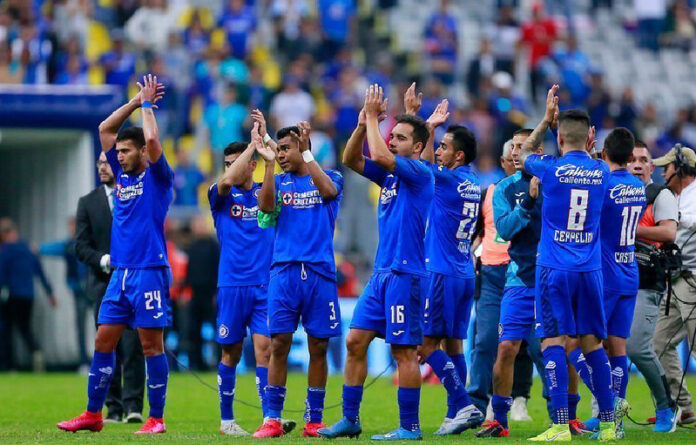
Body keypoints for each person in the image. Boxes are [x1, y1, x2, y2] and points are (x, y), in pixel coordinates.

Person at [57, 74, 173, 435]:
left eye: (125, 151)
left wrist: (149, 106)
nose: (118, 156)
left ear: (140, 152)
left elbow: (152, 138)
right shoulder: (121, 179)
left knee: (150, 345)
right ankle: (94, 413)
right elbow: (104, 127)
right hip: (121, 273)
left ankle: (155, 418)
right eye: (117, 152)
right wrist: (135, 102)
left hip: (150, 270)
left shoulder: (158, 178)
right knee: (103, 340)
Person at [319, 84, 434, 440]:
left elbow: (382, 157)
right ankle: (350, 420)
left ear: (416, 147)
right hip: (382, 273)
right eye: (391, 135)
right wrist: (359, 126)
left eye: (399, 136)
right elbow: (352, 160)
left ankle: (409, 427)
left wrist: (372, 117)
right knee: (355, 341)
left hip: (406, 274)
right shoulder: (391, 179)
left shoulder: (418, 174)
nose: (392, 140)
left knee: (403, 351)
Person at [520, 85, 616, 441]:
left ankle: (561, 424)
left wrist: (545, 121)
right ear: (589, 139)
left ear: (560, 138)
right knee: (592, 344)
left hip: (555, 269)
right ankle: (608, 425)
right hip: (590, 270)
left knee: (552, 342)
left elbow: (525, 152)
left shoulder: (550, 170)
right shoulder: (602, 172)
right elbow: (593, 166)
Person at [252, 115, 343, 438]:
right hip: (284, 272)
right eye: (279, 150)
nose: (281, 155)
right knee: (279, 344)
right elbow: (264, 211)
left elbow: (330, 193)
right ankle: (272, 419)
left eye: (286, 149)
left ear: (303, 148)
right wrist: (267, 167)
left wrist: (307, 155)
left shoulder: (327, 177)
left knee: (318, 347)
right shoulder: (279, 182)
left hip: (319, 273)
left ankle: (314, 419)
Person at [400, 86, 483, 435]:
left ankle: (463, 404)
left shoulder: (447, 180)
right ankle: (455, 413)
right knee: (455, 345)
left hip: (441, 271)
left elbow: (416, 162)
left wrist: (422, 121)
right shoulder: (472, 181)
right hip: (465, 272)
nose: (438, 152)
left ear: (459, 156)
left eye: (444, 148)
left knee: (425, 346)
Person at [207, 119, 294, 436]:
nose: (233, 167)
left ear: (253, 164)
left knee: (266, 349)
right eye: (228, 163)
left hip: (264, 285)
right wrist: (251, 144)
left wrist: (266, 145)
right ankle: (227, 420)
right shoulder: (219, 196)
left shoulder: (264, 192)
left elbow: (282, 168)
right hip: (231, 285)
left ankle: (268, 417)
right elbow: (228, 179)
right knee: (229, 351)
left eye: (239, 161)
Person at [475, 128, 550, 437]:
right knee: (504, 347)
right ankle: (499, 419)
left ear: (537, 152)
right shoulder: (504, 188)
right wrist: (528, 204)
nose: (518, 151)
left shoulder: (555, 183)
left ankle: (565, 416)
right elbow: (504, 230)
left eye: (524, 146)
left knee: (549, 350)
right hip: (517, 277)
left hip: (550, 276)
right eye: (514, 147)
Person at [582, 128, 647, 438]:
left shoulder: (603, 183)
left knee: (579, 344)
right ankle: (616, 417)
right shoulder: (637, 185)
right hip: (628, 271)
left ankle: (606, 406)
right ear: (630, 156)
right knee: (617, 346)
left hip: (604, 275)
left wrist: (587, 150)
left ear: (604, 153)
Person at [75, 150, 146, 424]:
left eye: (108, 162)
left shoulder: (135, 195)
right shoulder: (88, 202)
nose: (103, 167)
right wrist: (104, 260)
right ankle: (113, 407)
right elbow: (80, 246)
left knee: (134, 345)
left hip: (136, 280)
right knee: (107, 345)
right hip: (103, 282)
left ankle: (133, 407)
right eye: (100, 163)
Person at [626, 141, 682, 432]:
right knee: (602, 349)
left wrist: (629, 228)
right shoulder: (613, 192)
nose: (637, 163)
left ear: (651, 167)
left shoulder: (660, 194)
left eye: (643, 159)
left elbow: (669, 232)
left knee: (635, 346)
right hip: (611, 280)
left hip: (645, 280)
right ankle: (605, 414)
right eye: (632, 158)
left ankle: (665, 406)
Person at [467, 140, 514, 416]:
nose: (517, 158)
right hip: (491, 274)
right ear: (503, 162)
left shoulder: (539, 193)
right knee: (484, 341)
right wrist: (471, 256)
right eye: (512, 154)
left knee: (538, 347)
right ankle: (475, 406)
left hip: (525, 276)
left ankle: (562, 412)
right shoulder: (488, 194)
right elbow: (476, 234)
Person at [651, 144, 696, 427]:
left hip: (693, 279)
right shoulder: (677, 197)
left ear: (680, 168)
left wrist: (673, 220)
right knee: (657, 344)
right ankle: (685, 407)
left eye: (667, 167)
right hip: (677, 281)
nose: (663, 172)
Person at [0, 218, 56, 372]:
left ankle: (9, 365)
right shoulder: (28, 249)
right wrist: (50, 293)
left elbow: (2, 273)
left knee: (6, 329)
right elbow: (40, 272)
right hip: (28, 295)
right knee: (25, 328)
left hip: (11, 295)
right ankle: (36, 352)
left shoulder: (5, 250)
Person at [39, 218, 89, 369]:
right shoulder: (69, 246)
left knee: (103, 325)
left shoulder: (88, 243)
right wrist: (38, 248)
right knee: (81, 326)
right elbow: (53, 249)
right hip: (80, 291)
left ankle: (109, 360)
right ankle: (84, 361)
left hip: (94, 290)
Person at [182, 216, 218, 371]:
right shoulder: (191, 248)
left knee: (219, 330)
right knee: (193, 331)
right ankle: (196, 363)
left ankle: (220, 361)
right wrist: (184, 291)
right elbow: (188, 273)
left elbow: (218, 270)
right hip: (195, 294)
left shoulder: (214, 246)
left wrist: (217, 293)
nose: (200, 228)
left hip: (211, 294)